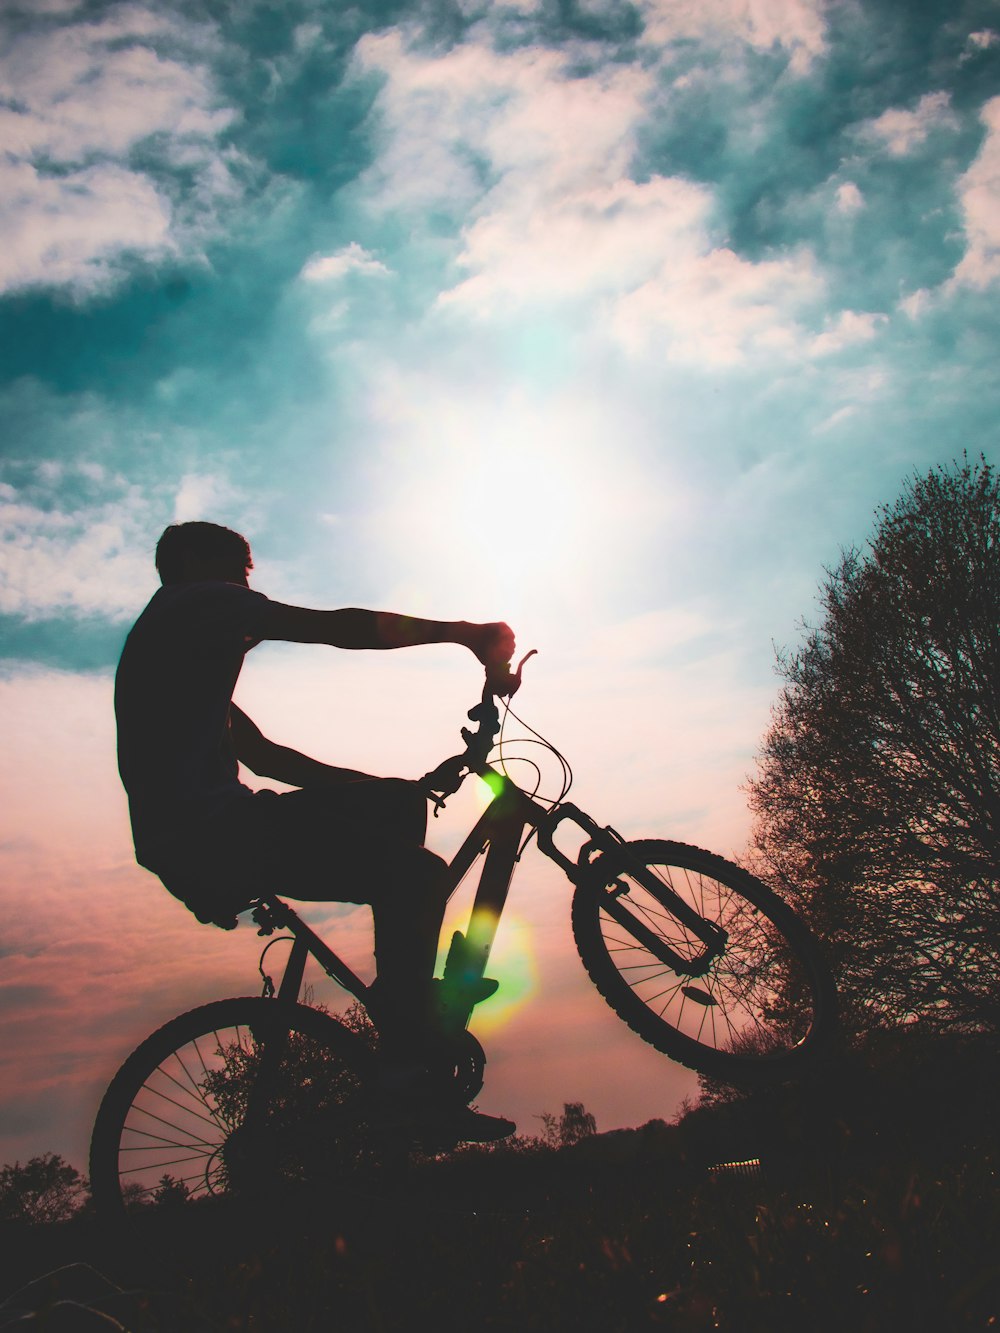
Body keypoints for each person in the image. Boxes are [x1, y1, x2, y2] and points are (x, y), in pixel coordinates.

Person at [114, 520, 516, 1143]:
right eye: (241, 566)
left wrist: (388, 787)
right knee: (418, 874)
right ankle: (407, 1060)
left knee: (398, 809)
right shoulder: (197, 603)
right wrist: (462, 634)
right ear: (193, 560)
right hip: (215, 835)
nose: (249, 581)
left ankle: (408, 1021)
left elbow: (271, 758)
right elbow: (337, 627)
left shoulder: (182, 654)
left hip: (202, 838)